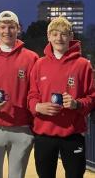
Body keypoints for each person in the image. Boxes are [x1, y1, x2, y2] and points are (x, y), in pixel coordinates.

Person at [28, 16, 95, 178]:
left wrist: (77, 104)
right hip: (44, 134)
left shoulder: (83, 64)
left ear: (71, 37)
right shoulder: (39, 64)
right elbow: (31, 95)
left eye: (64, 34)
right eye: (55, 33)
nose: (59, 38)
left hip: (72, 135)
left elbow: (92, 97)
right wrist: (37, 106)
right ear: (49, 36)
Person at [0, 10, 39, 178]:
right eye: (3, 27)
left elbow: (35, 94)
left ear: (18, 28)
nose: (7, 31)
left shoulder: (31, 58)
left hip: (22, 130)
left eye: (11, 27)